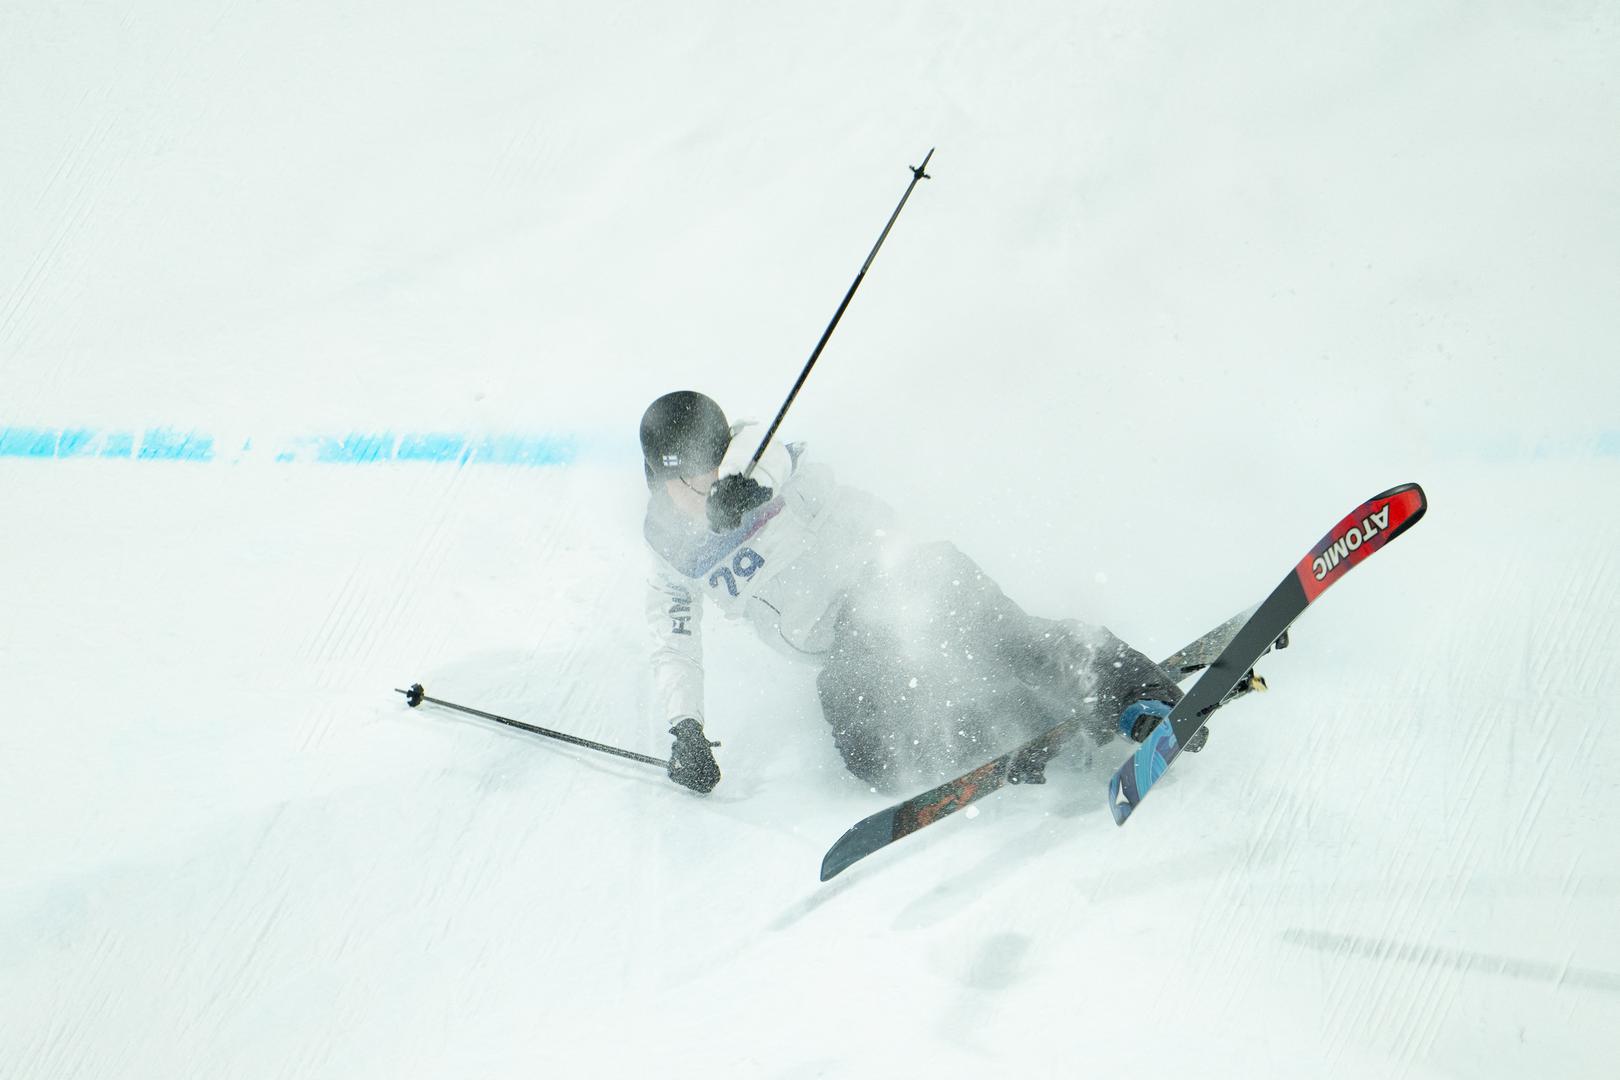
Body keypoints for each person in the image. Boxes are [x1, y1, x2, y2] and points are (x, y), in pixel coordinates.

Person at [639, 390, 1195, 795]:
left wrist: (747, 483)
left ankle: (1139, 694)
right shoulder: (672, 554)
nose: (707, 485)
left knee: (1013, 639)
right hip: (848, 647)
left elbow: (769, 450)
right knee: (872, 754)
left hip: (903, 577)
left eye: (712, 468)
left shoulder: (756, 460)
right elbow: (675, 643)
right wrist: (685, 726)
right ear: (661, 482)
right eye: (691, 478)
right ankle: (1028, 716)